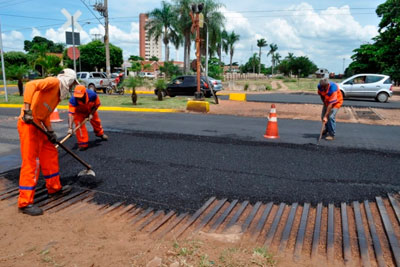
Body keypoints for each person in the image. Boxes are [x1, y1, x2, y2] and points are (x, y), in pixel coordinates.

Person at [18, 68, 78, 216]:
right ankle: (25, 202)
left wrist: (50, 131)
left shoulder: (56, 96)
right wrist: (27, 110)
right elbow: (31, 85)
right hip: (28, 124)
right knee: (32, 162)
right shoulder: (53, 82)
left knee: (50, 153)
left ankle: (54, 188)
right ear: (68, 81)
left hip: (40, 125)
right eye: (72, 85)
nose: (71, 88)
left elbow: (45, 114)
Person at [68, 85, 108, 151]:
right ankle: (83, 144)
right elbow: (71, 114)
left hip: (90, 110)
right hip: (79, 113)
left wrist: (91, 114)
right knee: (80, 127)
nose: (78, 98)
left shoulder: (92, 95)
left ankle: (100, 133)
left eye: (80, 96)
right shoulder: (73, 100)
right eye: (77, 96)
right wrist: (70, 128)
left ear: (85, 93)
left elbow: (96, 105)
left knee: (96, 121)